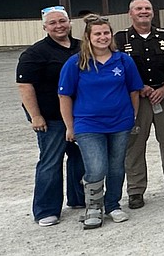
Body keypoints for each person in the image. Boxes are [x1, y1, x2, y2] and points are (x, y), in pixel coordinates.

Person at [58, 15, 143, 229]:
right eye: (97, 33)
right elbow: (64, 96)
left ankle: (112, 204)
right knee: (97, 167)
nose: (102, 37)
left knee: (116, 167)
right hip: (88, 125)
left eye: (106, 33)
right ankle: (93, 207)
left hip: (120, 123)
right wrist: (70, 126)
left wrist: (132, 116)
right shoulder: (76, 63)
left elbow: (134, 90)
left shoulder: (123, 60)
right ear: (88, 37)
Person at [115, 0, 164, 210]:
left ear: (153, 12)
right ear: (130, 13)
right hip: (136, 98)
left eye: (147, 8)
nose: (144, 12)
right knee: (135, 144)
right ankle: (136, 190)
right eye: (139, 9)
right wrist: (140, 87)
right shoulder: (120, 39)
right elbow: (115, 67)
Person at [17, 6, 85, 227]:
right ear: (45, 27)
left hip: (80, 116)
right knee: (50, 162)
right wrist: (35, 116)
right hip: (51, 118)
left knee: (80, 159)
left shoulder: (82, 47)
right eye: (53, 23)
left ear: (70, 22)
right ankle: (46, 209)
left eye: (62, 21)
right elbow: (25, 86)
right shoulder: (35, 53)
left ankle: (78, 198)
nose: (59, 26)